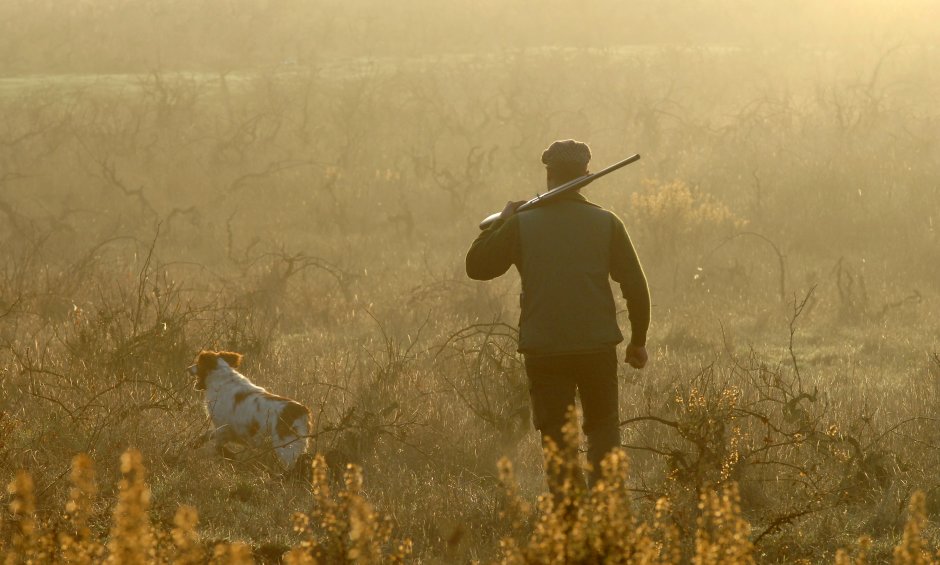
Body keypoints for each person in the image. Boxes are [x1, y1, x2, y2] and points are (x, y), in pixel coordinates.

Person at [465, 139, 650, 491]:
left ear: (549, 174)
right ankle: (607, 517)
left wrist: (501, 222)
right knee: (603, 433)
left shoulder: (521, 225)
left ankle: (569, 526)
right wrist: (638, 342)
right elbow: (636, 287)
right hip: (596, 348)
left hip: (544, 351)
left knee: (557, 444)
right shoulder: (607, 222)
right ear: (586, 176)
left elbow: (477, 266)